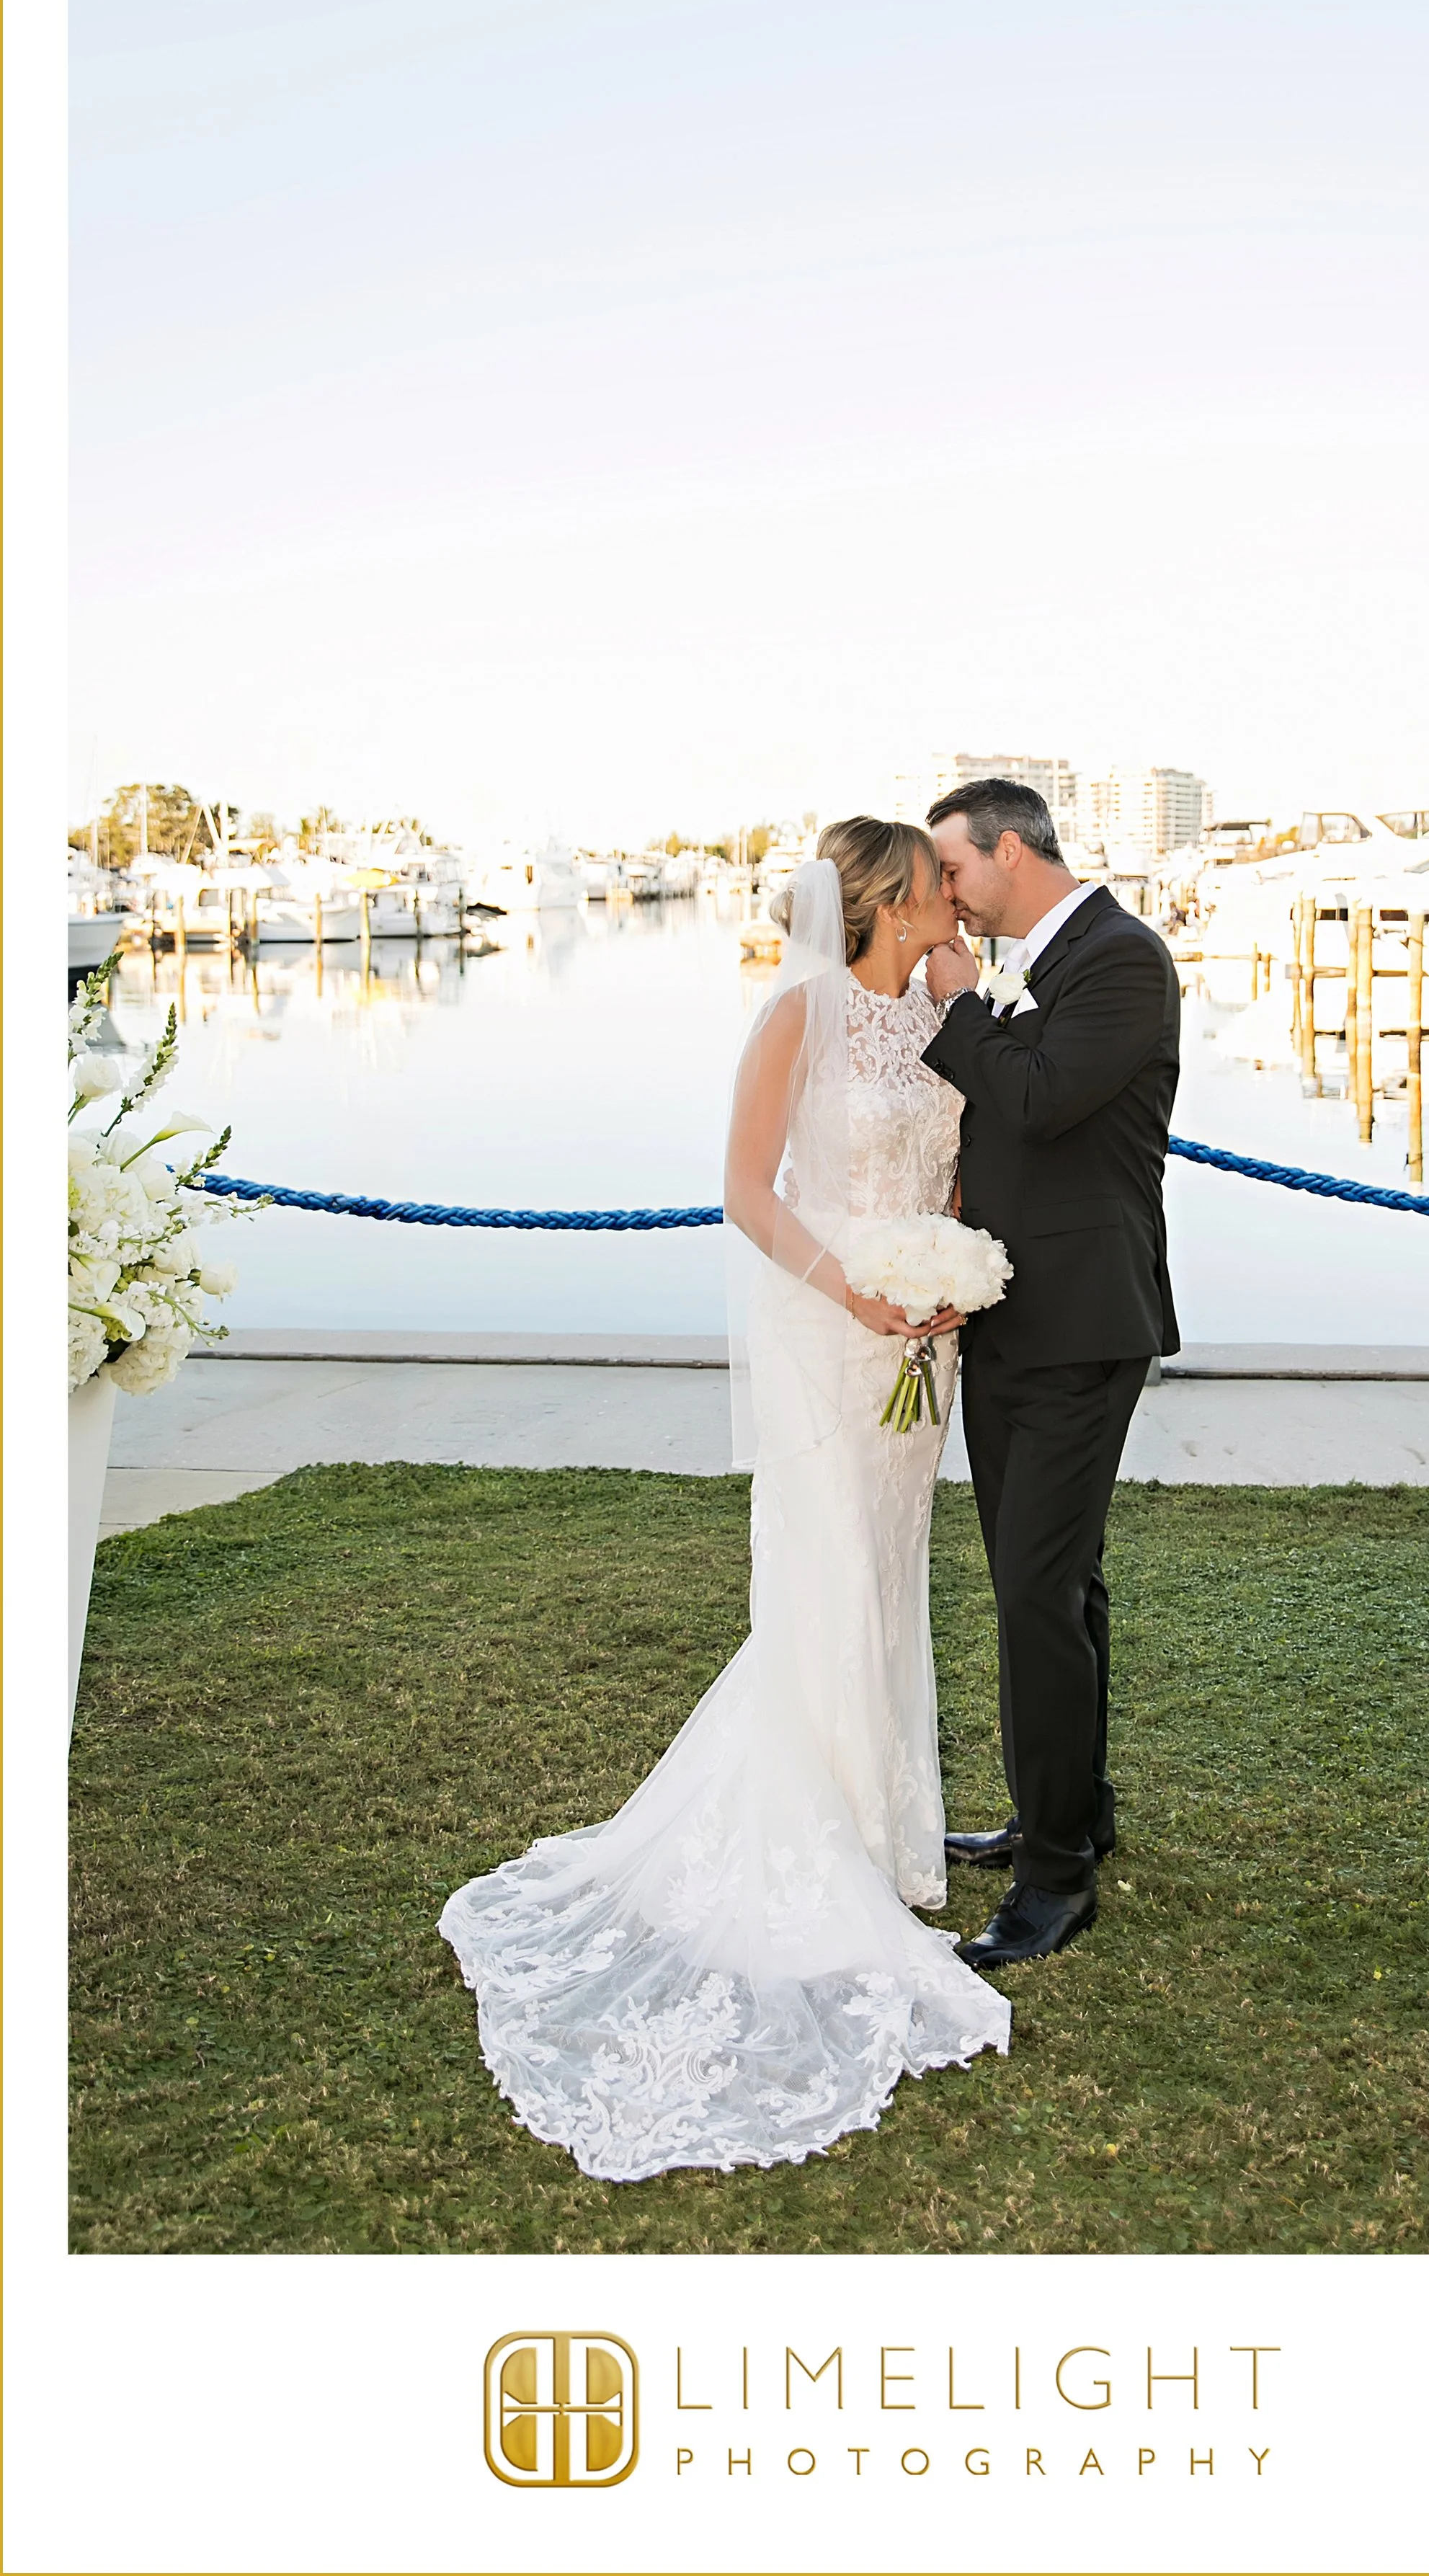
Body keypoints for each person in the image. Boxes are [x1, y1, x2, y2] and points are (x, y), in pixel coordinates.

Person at [439, 821, 1009, 2184]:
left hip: (922, 1337)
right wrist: (857, 1290)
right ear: (884, 897)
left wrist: (947, 1282)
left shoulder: (946, 1008)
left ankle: (875, 1841)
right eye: (939, 882)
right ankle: (811, 1854)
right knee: (821, 1577)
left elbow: (962, 1168)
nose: (957, 891)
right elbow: (750, 1195)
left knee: (885, 1577)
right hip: (828, 1326)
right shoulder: (795, 1015)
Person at [920, 778, 1181, 1970]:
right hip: (1010, 1318)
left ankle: (1056, 1879)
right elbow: (1004, 1131)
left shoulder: (1124, 960)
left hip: (1085, 1323)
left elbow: (1034, 1095)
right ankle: (1067, 1810)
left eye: (955, 870)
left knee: (1035, 1592)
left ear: (1009, 850)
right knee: (1055, 1588)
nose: (947, 893)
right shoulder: (1034, 959)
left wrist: (962, 1005)